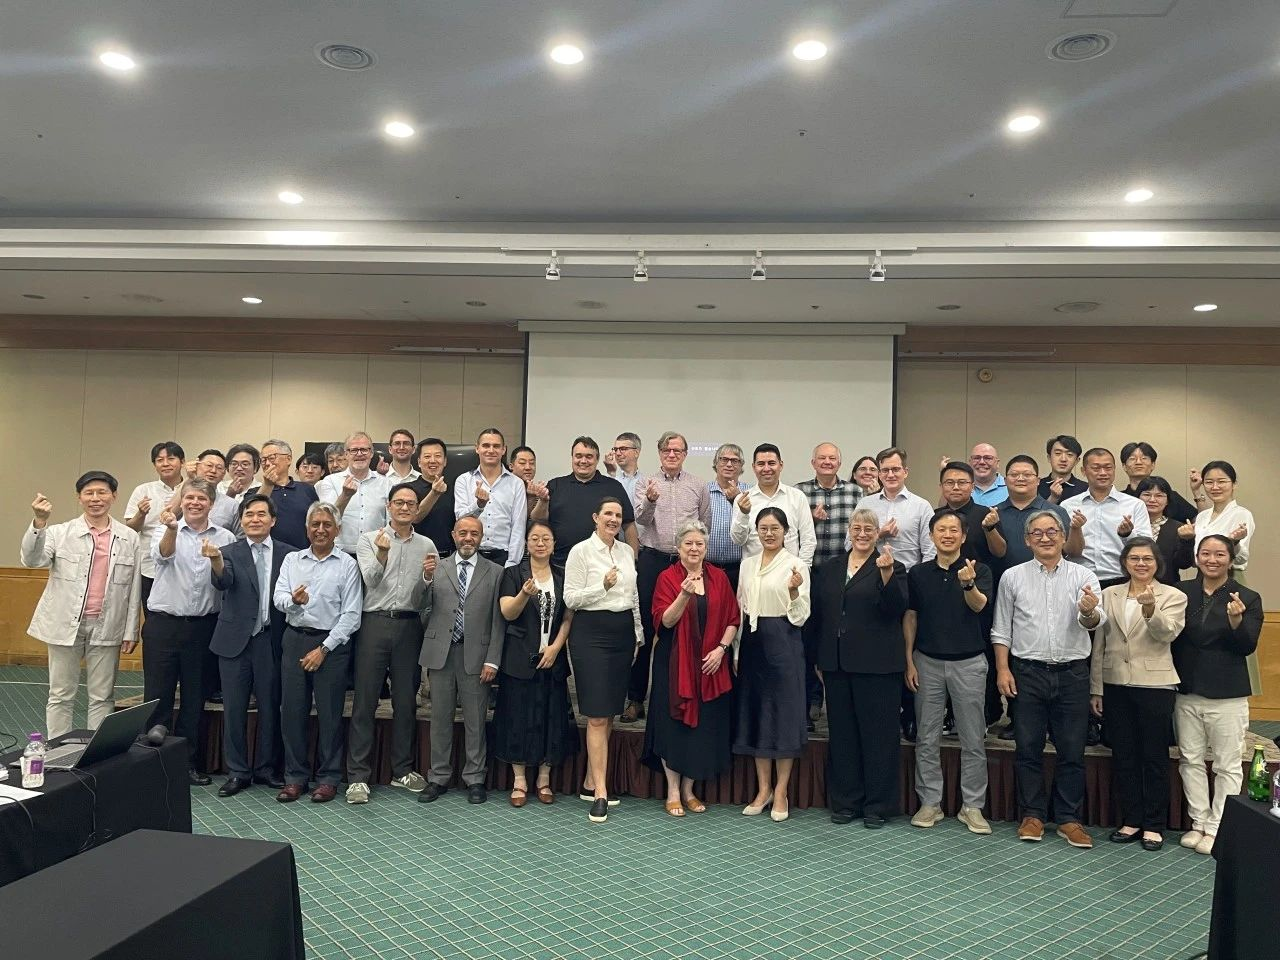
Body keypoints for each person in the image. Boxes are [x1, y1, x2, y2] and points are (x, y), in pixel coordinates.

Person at [992, 509, 1104, 849]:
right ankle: (1032, 815)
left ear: (1063, 536)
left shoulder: (1084, 575)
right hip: (1027, 673)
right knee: (1027, 748)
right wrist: (1002, 669)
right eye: (1037, 533)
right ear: (1027, 540)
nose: (1045, 537)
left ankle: (1069, 818)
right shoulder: (1012, 577)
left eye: (1052, 531)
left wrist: (1088, 611)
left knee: (1072, 750)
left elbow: (1095, 622)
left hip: (1072, 674)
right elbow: (1001, 628)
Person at [21, 472, 141, 739]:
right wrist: (39, 522)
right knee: (60, 694)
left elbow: (133, 588)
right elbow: (32, 560)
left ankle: (95, 753)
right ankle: (58, 749)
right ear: (79, 498)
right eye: (89, 493)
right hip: (65, 623)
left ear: (114, 496)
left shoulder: (129, 537)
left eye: (102, 492)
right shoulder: (58, 532)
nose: (95, 498)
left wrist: (131, 630)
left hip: (108, 625)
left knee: (103, 696)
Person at [812, 509, 907, 828]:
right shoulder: (830, 567)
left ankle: (878, 805)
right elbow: (821, 615)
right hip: (836, 664)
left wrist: (886, 574)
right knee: (843, 735)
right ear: (849, 531)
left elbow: (896, 609)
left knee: (878, 736)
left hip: (878, 667)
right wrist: (820, 658)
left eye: (869, 528)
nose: (862, 533)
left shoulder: (892, 566)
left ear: (878, 533)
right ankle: (846, 802)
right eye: (857, 528)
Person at [1090, 536, 1187, 851]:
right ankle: (1131, 820)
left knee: (1154, 757)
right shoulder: (1109, 594)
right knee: (1124, 755)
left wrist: (1150, 608)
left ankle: (1154, 825)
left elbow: (1167, 633)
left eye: (1147, 559)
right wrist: (1096, 687)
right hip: (1115, 683)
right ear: (1124, 563)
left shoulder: (1172, 595)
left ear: (1157, 563)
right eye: (1134, 558)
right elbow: (1100, 643)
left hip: (1155, 685)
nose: (1141, 564)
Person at [1172, 535, 1263, 855]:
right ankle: (1198, 822)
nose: (1212, 560)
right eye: (1206, 553)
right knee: (1190, 760)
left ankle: (1217, 827)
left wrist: (1237, 622)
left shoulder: (1248, 597)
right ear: (1197, 557)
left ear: (1231, 559)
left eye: (1220, 554)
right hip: (1187, 689)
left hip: (1228, 694)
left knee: (1227, 765)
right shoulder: (1182, 591)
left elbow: (1247, 646)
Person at [904, 509, 993, 835]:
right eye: (941, 530)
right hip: (926, 662)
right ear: (931, 535)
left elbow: (979, 606)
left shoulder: (978, 570)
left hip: (969, 663)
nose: (947, 535)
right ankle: (930, 803)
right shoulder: (918, 573)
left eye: (954, 530)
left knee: (973, 739)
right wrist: (909, 659)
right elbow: (911, 616)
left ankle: (972, 806)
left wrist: (968, 584)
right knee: (927, 737)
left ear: (963, 536)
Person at [346, 484, 437, 804]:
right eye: (399, 502)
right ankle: (358, 776)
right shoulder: (369, 539)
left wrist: (427, 579)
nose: (405, 507)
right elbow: (370, 580)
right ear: (389, 506)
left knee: (406, 701)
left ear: (417, 509)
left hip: (409, 625)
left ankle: (402, 770)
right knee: (365, 700)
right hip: (374, 622)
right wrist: (382, 554)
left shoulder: (427, 545)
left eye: (411, 503)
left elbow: (427, 599)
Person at [143, 478, 236, 785]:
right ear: (181, 501)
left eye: (202, 499)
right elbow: (163, 556)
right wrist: (172, 528)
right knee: (157, 698)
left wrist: (217, 559)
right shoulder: (165, 528)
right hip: (164, 625)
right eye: (190, 498)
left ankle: (187, 764)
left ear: (212, 504)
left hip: (203, 628)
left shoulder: (225, 537)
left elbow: (226, 580)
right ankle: (152, 767)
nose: (195, 503)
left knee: (194, 701)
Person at [642, 521, 739, 817]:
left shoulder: (719, 577)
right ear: (678, 547)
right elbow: (665, 621)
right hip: (674, 663)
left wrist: (721, 649)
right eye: (688, 543)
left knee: (702, 728)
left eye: (699, 544)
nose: (694, 549)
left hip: (710, 664)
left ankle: (689, 790)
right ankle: (673, 792)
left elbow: (733, 619)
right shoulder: (667, 578)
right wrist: (684, 595)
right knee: (673, 727)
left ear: (706, 548)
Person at [273, 502, 362, 803]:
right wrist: (294, 601)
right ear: (306, 528)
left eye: (327, 525)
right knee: (292, 712)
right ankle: (294, 778)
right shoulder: (292, 560)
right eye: (315, 524)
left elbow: (352, 615)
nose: (320, 530)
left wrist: (323, 649)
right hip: (295, 640)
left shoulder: (347, 564)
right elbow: (278, 597)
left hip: (331, 645)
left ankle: (328, 778)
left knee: (330, 714)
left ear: (338, 530)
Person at [563, 496, 643, 824]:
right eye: (608, 514)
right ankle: (600, 792)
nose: (613, 519)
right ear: (596, 517)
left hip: (622, 633)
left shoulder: (625, 551)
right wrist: (602, 586)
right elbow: (571, 598)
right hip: (590, 633)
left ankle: (589, 781)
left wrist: (637, 633)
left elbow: (633, 595)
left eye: (618, 515)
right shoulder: (580, 551)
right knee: (596, 716)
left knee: (609, 712)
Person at [208, 494, 292, 796]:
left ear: (273, 520)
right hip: (234, 642)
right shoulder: (227, 552)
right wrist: (216, 562)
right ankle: (238, 771)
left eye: (261, 514)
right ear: (241, 520)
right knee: (234, 709)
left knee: (270, 707)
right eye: (249, 514)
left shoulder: (289, 554)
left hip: (271, 640)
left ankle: (267, 769)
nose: (254, 519)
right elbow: (223, 581)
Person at [418, 516, 505, 806]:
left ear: (481, 537)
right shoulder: (436, 568)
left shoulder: (495, 572)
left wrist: (493, 660)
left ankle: (475, 778)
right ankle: (438, 777)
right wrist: (425, 580)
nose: (468, 538)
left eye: (474, 533)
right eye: (463, 533)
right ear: (453, 535)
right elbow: (420, 607)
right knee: (439, 719)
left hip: (477, 655)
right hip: (441, 654)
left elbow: (498, 621)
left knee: (476, 721)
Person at [626, 431, 711, 723]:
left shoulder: (698, 485)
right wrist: (650, 501)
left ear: (685, 454)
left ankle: (686, 694)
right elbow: (640, 521)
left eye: (677, 450)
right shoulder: (646, 483)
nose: (672, 455)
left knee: (689, 627)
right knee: (647, 629)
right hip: (654, 560)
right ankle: (636, 698)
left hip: (687, 562)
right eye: (667, 450)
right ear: (660, 453)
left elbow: (704, 525)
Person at [493, 521, 578, 807]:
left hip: (552, 656)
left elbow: (569, 616)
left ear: (554, 544)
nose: (540, 543)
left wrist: (556, 647)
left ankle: (544, 779)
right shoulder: (513, 574)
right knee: (517, 716)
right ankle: (519, 780)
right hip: (519, 657)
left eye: (546, 539)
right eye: (534, 539)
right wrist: (524, 594)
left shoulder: (563, 575)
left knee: (551, 716)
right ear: (527, 544)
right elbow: (507, 612)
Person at [733, 507, 811, 823]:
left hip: (784, 640)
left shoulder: (796, 565)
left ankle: (781, 791)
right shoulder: (747, 564)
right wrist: (736, 651)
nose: (768, 533)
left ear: (786, 531)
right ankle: (763, 789)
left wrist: (793, 591)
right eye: (763, 528)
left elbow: (802, 615)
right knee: (757, 715)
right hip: (752, 643)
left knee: (784, 716)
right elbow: (740, 607)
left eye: (775, 528)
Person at [798, 442, 862, 727]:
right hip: (809, 573)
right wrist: (810, 520)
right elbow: (789, 531)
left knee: (835, 634)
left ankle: (836, 700)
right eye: (821, 458)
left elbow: (862, 530)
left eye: (832, 458)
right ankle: (811, 698)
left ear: (839, 462)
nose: (827, 462)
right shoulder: (800, 492)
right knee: (808, 636)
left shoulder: (855, 492)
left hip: (844, 576)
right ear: (813, 463)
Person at [1187, 460, 1259, 695]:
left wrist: (1235, 542)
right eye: (1209, 482)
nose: (1215, 487)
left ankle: (1235, 690)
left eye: (1222, 481)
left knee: (1231, 629)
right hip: (1202, 577)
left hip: (1230, 575)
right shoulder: (1203, 516)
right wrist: (1196, 493)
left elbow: (1241, 556)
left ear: (1234, 484)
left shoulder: (1242, 514)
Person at [533, 437, 638, 567]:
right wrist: (543, 501)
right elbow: (538, 520)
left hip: (604, 566)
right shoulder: (555, 485)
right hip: (561, 565)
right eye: (578, 456)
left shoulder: (614, 487)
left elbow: (629, 526)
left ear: (597, 459)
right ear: (572, 458)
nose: (583, 461)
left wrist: (633, 561)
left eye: (589, 456)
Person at [1062, 448, 1152, 586]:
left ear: (1114, 469)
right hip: (1079, 579)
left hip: (1121, 579)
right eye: (1096, 468)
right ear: (1083, 471)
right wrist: (1075, 529)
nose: (1103, 473)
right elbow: (1065, 550)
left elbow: (1147, 547)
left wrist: (1128, 534)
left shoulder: (1135, 505)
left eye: (1108, 467)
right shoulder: (1068, 506)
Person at [729, 444, 816, 564]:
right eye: (761, 464)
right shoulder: (743, 499)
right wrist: (743, 514)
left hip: (789, 570)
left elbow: (808, 540)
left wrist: (802, 569)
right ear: (754, 467)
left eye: (771, 463)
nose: (766, 469)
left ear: (781, 465)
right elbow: (738, 540)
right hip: (754, 571)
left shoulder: (797, 497)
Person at [453, 427, 527, 567]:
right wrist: (478, 505)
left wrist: (512, 563)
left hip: (503, 557)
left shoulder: (516, 483)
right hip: (471, 553)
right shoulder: (464, 480)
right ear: (477, 448)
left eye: (496, 446)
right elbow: (460, 519)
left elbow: (518, 527)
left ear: (504, 450)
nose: (491, 450)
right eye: (486, 445)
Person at [124, 441, 186, 608]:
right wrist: (141, 514)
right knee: (152, 613)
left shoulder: (192, 488)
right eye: (159, 460)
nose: (165, 464)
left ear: (182, 462)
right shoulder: (143, 490)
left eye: (171, 459)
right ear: (154, 465)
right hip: (150, 566)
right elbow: (130, 529)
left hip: (184, 564)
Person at [314, 432, 392, 554]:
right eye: (354, 450)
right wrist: (345, 496)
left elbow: (391, 522)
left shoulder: (386, 483)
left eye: (364, 450)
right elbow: (328, 519)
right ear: (346, 454)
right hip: (340, 553)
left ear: (371, 453)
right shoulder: (330, 481)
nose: (359, 454)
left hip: (375, 552)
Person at [857, 447, 935, 568]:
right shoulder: (865, 504)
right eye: (885, 470)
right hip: (869, 575)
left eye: (895, 469)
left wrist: (921, 577)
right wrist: (878, 535)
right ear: (879, 474)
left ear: (905, 472)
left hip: (908, 575)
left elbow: (930, 552)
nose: (890, 475)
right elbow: (849, 545)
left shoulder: (922, 506)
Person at [247, 439, 319, 549]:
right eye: (263, 460)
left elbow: (316, 522)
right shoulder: (253, 492)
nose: (267, 463)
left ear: (288, 459)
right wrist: (267, 485)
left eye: (272, 458)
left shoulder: (307, 489)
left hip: (301, 553)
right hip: (266, 553)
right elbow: (253, 513)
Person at [706, 443, 751, 592]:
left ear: (741, 465)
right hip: (707, 567)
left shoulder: (750, 493)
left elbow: (754, 527)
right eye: (724, 459)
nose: (729, 464)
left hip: (739, 568)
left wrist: (736, 499)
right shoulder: (704, 491)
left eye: (735, 460)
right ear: (716, 463)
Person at [1134, 476, 1192, 585]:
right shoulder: (1128, 526)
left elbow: (1184, 564)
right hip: (1131, 586)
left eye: (1159, 495)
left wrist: (1187, 540)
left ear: (1167, 501)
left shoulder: (1178, 528)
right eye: (1147, 494)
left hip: (1167, 588)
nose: (1152, 500)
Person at [1119, 442, 1196, 522]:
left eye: (1144, 458)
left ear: (1153, 465)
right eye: (1132, 459)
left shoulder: (1169, 496)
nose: (1138, 462)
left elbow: (1198, 520)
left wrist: (1196, 491)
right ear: (1124, 466)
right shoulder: (1119, 498)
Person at [409, 438, 456, 559]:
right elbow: (414, 517)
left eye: (438, 456)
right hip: (417, 556)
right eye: (427, 456)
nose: (433, 460)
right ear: (419, 462)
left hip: (449, 557)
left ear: (445, 461)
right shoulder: (408, 489)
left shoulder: (456, 488)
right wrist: (434, 493)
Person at [1040, 435, 1088, 504]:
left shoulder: (1086, 489)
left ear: (1077, 460)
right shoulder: (1036, 486)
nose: (1063, 459)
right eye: (1058, 453)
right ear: (1049, 458)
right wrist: (1053, 498)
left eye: (1069, 454)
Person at [604, 432, 644, 501]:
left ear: (636, 453)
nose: (618, 453)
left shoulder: (646, 482)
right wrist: (611, 473)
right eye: (615, 449)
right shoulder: (610, 479)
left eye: (623, 449)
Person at [509, 445, 542, 516]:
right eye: (522, 463)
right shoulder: (504, 488)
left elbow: (532, 520)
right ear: (511, 466)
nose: (528, 467)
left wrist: (532, 498)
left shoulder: (537, 493)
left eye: (532, 463)